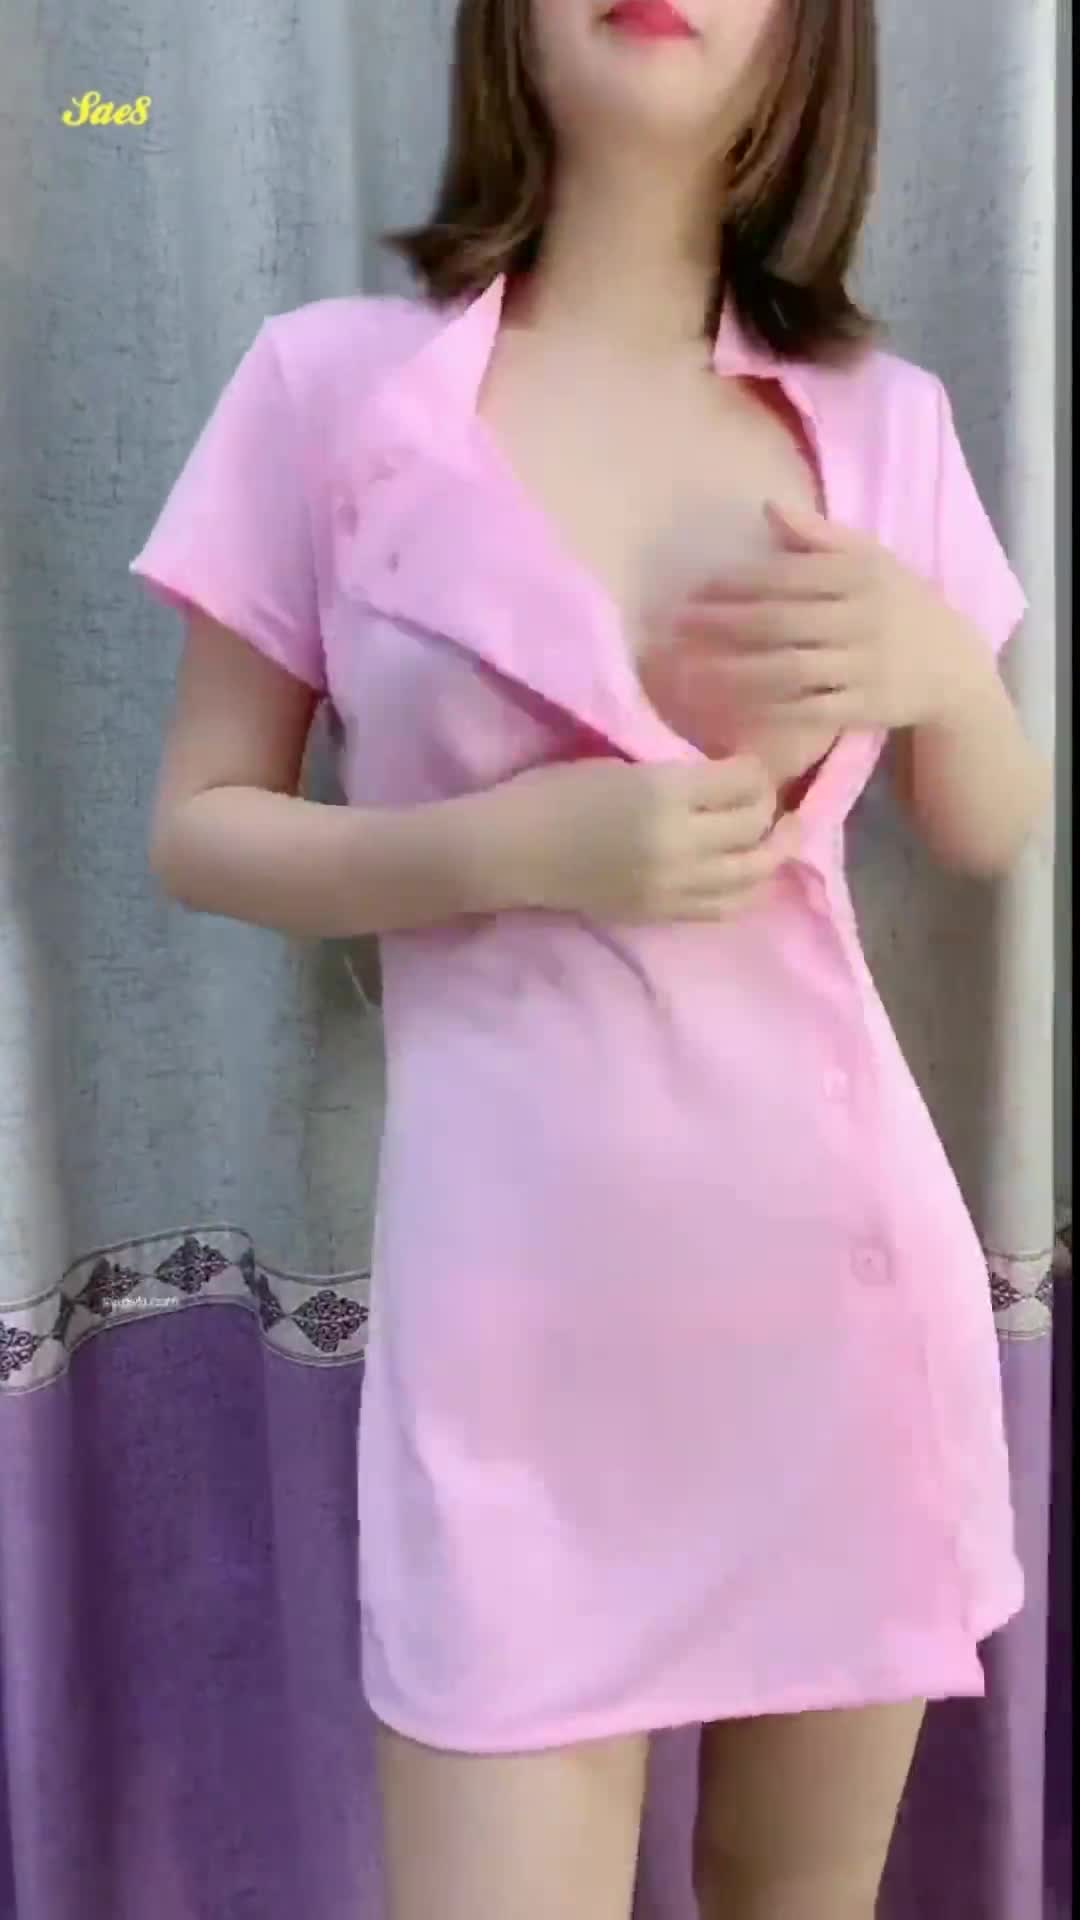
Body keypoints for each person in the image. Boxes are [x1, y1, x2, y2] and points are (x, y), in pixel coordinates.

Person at [130, 2, 1050, 1914]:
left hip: (834, 1323)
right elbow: (198, 825)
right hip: (516, 1370)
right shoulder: (331, 389)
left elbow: (982, 829)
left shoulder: (885, 421)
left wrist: (948, 676)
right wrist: (502, 851)